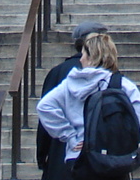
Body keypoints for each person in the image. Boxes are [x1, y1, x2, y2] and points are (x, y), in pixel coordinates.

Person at [36, 31, 140, 180]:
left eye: (83, 54)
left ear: (91, 56)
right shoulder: (121, 84)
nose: (81, 59)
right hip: (112, 158)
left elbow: (44, 106)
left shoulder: (70, 84)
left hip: (78, 157)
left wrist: (69, 135)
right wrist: (127, 143)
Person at [37, 21, 108, 180]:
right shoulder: (112, 76)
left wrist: (42, 155)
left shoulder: (58, 72)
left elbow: (45, 114)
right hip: (102, 156)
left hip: (62, 155)